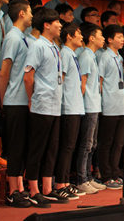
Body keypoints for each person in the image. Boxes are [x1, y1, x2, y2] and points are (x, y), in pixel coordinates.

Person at [23, 8, 65, 206]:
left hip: (55, 104)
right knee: (37, 148)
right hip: (42, 103)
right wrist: (32, 99)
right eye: (57, 22)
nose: (60, 25)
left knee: (52, 148)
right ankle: (33, 189)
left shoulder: (54, 46)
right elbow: (28, 76)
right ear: (46, 25)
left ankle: (47, 188)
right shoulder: (37, 45)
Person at [0, 0, 35, 208]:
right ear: (21, 14)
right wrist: (2, 100)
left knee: (23, 147)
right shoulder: (12, 37)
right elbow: (5, 71)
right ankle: (12, 191)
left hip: (24, 101)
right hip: (14, 100)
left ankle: (20, 188)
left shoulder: (24, 37)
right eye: (29, 12)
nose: (32, 16)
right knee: (15, 147)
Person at [52, 22, 84, 200]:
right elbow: (61, 79)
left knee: (71, 146)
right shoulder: (64, 53)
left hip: (75, 105)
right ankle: (60, 183)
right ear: (69, 36)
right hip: (67, 106)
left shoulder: (72, 54)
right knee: (66, 146)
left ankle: (65, 181)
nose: (81, 37)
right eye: (78, 33)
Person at [97, 25, 124, 189]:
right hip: (109, 105)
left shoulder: (120, 57)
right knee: (106, 142)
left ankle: (115, 173)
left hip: (120, 105)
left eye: (123, 37)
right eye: (119, 37)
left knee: (119, 143)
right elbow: (100, 81)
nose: (122, 40)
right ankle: (106, 175)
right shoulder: (105, 56)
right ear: (109, 39)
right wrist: (102, 100)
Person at [75, 22, 106, 194]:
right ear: (92, 38)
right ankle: (82, 179)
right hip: (88, 106)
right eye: (100, 36)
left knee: (92, 144)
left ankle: (88, 176)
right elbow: (82, 83)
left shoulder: (92, 56)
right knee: (86, 144)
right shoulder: (86, 56)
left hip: (95, 104)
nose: (103, 39)